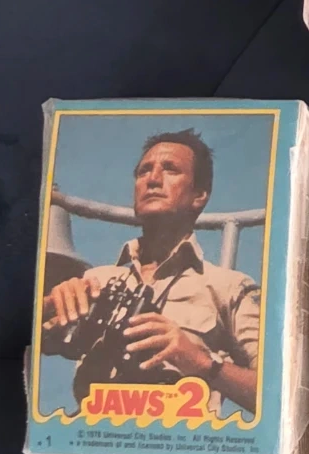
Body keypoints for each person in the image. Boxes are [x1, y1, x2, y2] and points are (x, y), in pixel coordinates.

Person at [40, 129, 259, 415]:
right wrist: (48, 305)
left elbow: (277, 395)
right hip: (92, 431)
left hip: (180, 436)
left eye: (171, 169)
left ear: (199, 195)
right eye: (144, 171)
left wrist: (201, 362)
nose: (153, 179)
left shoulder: (228, 287)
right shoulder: (96, 280)